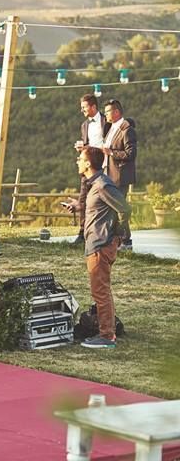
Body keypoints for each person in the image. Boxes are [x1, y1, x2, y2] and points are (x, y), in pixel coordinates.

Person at [64, 146, 129, 349]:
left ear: (88, 163)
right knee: (101, 291)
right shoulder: (95, 185)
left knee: (100, 292)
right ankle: (107, 331)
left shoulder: (102, 184)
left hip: (101, 245)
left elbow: (124, 209)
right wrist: (79, 206)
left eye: (80, 158)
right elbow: (100, 207)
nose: (77, 161)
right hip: (96, 244)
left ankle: (107, 336)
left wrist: (116, 236)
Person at [71, 95, 110, 246]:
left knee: (104, 200)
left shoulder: (106, 122)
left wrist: (89, 148)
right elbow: (87, 145)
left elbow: (110, 144)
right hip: (88, 168)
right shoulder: (84, 125)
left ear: (93, 107)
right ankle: (82, 233)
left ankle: (104, 233)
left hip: (105, 167)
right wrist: (82, 149)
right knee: (83, 199)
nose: (82, 110)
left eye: (84, 107)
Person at [102, 99, 137, 250]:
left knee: (120, 209)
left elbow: (131, 154)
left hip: (120, 176)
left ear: (116, 112)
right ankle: (116, 240)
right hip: (108, 174)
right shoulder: (110, 128)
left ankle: (126, 241)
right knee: (114, 209)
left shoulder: (127, 130)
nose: (105, 114)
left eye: (107, 111)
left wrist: (111, 152)